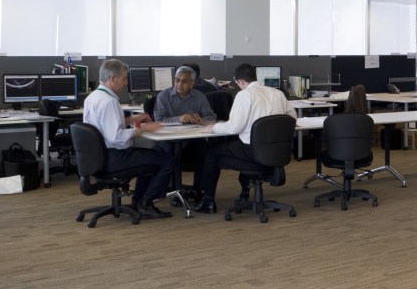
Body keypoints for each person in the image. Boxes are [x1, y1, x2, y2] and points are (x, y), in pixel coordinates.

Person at [194, 63, 297, 214]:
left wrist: (213, 127)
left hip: (252, 152)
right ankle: (243, 195)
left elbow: (234, 127)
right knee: (239, 146)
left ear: (240, 81)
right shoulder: (277, 93)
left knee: (212, 153)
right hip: (276, 152)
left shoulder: (245, 95)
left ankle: (208, 202)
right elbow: (292, 118)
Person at [82, 59, 176, 218]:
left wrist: (132, 120)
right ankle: (145, 203)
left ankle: (138, 201)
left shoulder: (93, 97)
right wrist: (144, 129)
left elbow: (105, 126)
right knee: (167, 160)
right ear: (113, 79)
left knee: (151, 156)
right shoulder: (109, 102)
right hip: (115, 157)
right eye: (124, 78)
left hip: (99, 157)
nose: (126, 83)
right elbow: (116, 137)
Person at [152, 66, 218, 200]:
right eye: (177, 80)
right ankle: (173, 190)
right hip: (168, 140)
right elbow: (159, 121)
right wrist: (179, 119)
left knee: (205, 152)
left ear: (192, 83)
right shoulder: (163, 96)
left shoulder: (199, 97)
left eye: (184, 81)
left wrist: (202, 120)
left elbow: (211, 117)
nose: (179, 84)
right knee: (170, 153)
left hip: (190, 139)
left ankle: (198, 188)